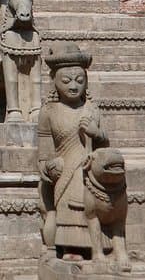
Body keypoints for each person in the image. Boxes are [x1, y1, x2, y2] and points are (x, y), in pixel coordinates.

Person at [38, 44, 107, 259]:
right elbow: (44, 150)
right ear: (55, 82)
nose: (73, 86)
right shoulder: (48, 111)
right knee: (69, 203)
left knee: (89, 204)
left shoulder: (91, 109)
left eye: (79, 80)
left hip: (88, 170)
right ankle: (70, 247)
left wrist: (96, 133)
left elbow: (104, 148)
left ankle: (96, 246)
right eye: (66, 81)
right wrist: (48, 166)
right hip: (64, 171)